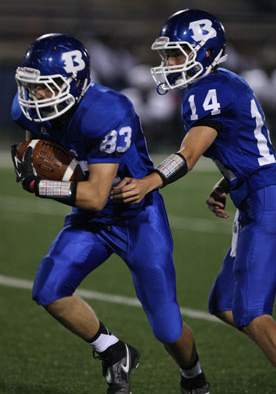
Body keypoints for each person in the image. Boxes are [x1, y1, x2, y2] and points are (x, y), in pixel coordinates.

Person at [10, 33, 210, 394]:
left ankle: (194, 378)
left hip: (135, 215)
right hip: (93, 220)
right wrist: (37, 161)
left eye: (44, 87)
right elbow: (37, 149)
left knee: (166, 327)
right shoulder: (28, 107)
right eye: (29, 86)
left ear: (74, 83)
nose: (34, 96)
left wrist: (39, 185)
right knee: (48, 289)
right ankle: (114, 351)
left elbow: (96, 196)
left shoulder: (107, 111)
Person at [111, 8, 276, 370]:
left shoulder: (209, 90)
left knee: (250, 313)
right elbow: (249, 143)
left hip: (267, 200)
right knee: (226, 305)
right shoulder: (225, 81)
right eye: (167, 54)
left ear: (203, 52)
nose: (168, 62)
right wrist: (227, 180)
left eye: (176, 53)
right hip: (257, 191)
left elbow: (188, 154)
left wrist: (150, 181)